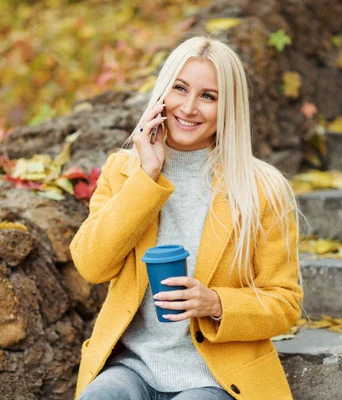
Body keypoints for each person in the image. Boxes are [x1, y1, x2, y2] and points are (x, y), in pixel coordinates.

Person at [70, 36, 303, 400]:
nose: (189, 107)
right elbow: (91, 265)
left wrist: (216, 303)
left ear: (228, 108)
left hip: (218, 378)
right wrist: (147, 174)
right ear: (163, 92)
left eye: (208, 96)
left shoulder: (261, 188)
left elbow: (285, 303)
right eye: (180, 88)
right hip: (134, 367)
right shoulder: (123, 171)